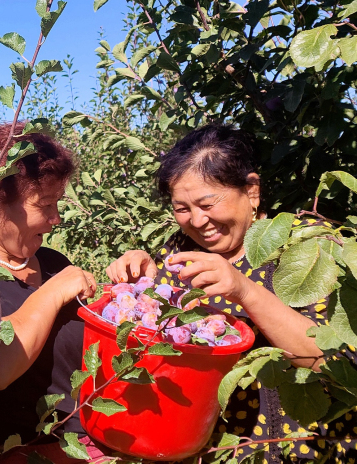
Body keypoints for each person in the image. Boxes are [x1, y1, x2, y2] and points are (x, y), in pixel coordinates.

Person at [104, 124, 356, 462]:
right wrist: (141, 281)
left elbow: (335, 360)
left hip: (311, 447)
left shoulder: (308, 245)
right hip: (223, 449)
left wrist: (245, 291)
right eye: (182, 208)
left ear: (251, 191)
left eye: (207, 203)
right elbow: (161, 339)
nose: (197, 221)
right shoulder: (180, 250)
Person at [0, 123, 107, 463]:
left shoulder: (52, 261)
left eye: (58, 203)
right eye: (45, 204)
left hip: (90, 445)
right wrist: (54, 292)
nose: (56, 219)